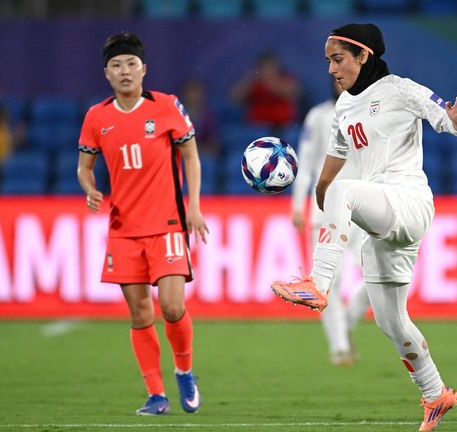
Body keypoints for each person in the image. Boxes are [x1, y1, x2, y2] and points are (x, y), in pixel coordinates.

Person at [271, 23, 457, 432]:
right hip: (380, 217)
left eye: (338, 58)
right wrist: (322, 198)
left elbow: (447, 120)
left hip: (408, 201)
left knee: (347, 191)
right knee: (391, 322)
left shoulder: (400, 89)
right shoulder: (344, 106)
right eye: (327, 60)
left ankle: (318, 284)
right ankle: (436, 394)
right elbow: (331, 169)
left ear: (363, 56)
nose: (330, 68)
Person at [76, 32, 209, 416]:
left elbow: (192, 157)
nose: (125, 71)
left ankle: (184, 370)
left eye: (131, 64)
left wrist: (194, 207)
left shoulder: (166, 107)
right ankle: (156, 394)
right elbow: (84, 166)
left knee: (170, 306)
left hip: (167, 223)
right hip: (123, 229)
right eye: (116, 65)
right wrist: (89, 188)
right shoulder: (96, 117)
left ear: (144, 69)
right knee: (139, 313)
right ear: (106, 74)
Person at [291, 77, 370, 367]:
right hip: (325, 209)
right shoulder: (319, 116)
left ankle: (346, 326)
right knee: (329, 284)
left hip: (364, 207)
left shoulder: (371, 111)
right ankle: (339, 347)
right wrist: (298, 204)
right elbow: (307, 164)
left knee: (379, 277)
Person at [230, 51, 301, 130]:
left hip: (282, 127)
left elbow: (295, 94)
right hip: (256, 127)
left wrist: (273, 84)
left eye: (270, 67)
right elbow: (234, 97)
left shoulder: (286, 79)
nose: (267, 70)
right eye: (264, 67)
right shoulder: (253, 81)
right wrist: (249, 82)